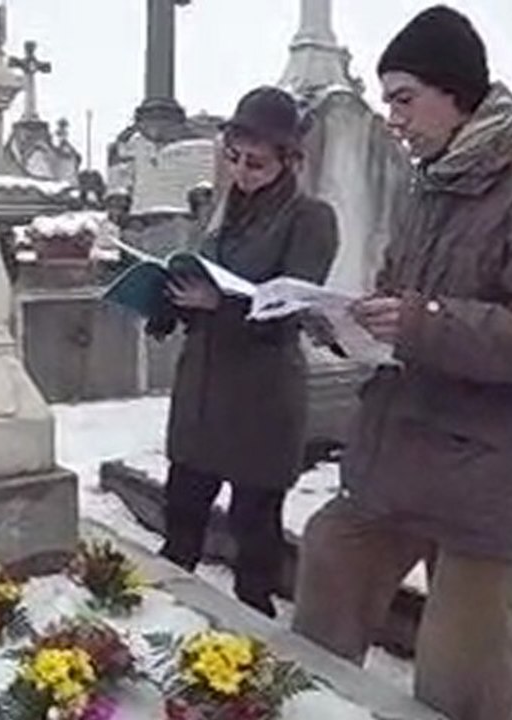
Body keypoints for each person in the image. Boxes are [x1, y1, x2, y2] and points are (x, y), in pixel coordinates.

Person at [291, 7, 512, 720]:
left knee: (463, 693)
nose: (393, 118)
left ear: (454, 90)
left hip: (486, 482)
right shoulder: (432, 182)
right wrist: (354, 321)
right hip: (398, 458)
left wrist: (424, 323)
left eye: (404, 98)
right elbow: (406, 301)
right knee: (327, 570)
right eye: (386, 101)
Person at [151, 86, 339, 618]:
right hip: (201, 398)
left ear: (289, 160)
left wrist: (218, 304)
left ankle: (251, 675)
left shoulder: (310, 219)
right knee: (179, 531)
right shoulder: (223, 210)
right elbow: (200, 278)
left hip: (260, 402)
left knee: (253, 548)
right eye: (232, 158)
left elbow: (288, 309)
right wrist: (168, 304)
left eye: (256, 163)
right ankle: (168, 636)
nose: (241, 172)